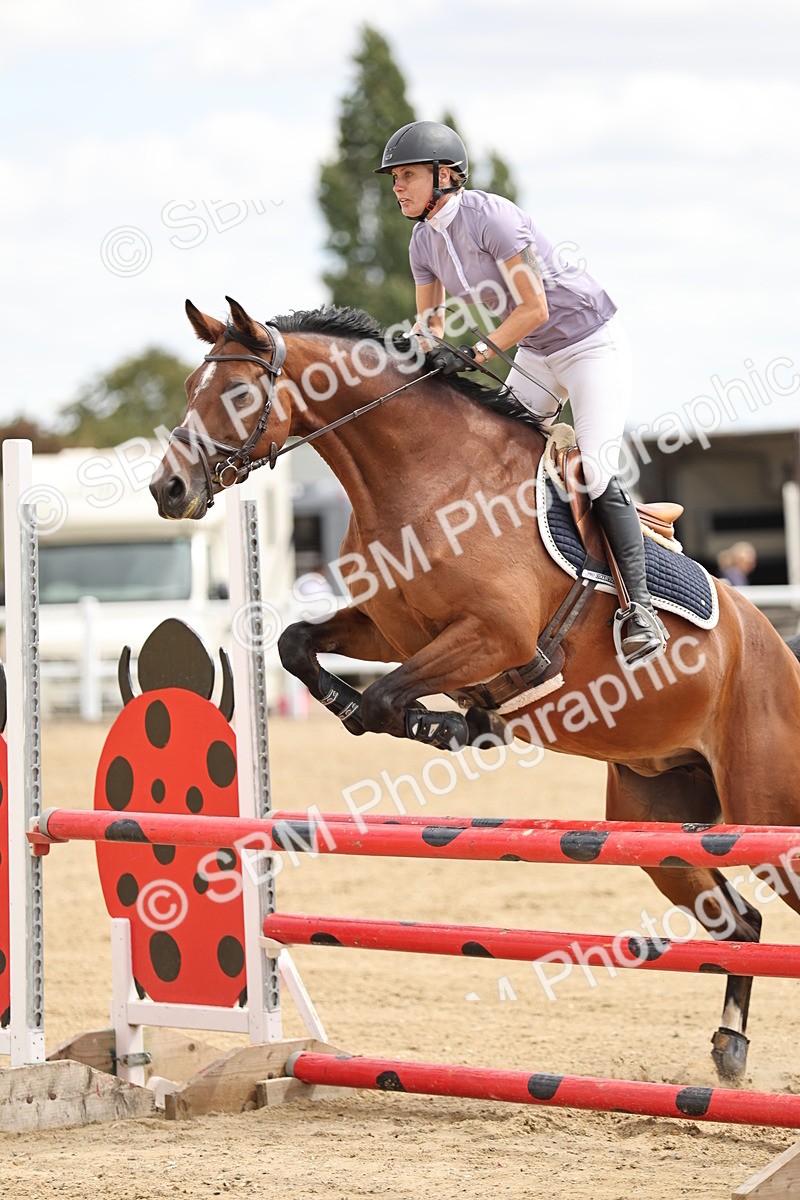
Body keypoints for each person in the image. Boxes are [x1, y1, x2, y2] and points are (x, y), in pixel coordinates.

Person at [375, 120, 667, 669]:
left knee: (596, 471)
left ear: (444, 176)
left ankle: (641, 610)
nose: (398, 188)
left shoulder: (494, 218)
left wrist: (479, 351)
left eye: (407, 176)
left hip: (587, 344)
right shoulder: (421, 242)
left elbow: (536, 309)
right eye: (395, 180)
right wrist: (414, 361)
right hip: (533, 354)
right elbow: (430, 323)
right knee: (488, 462)